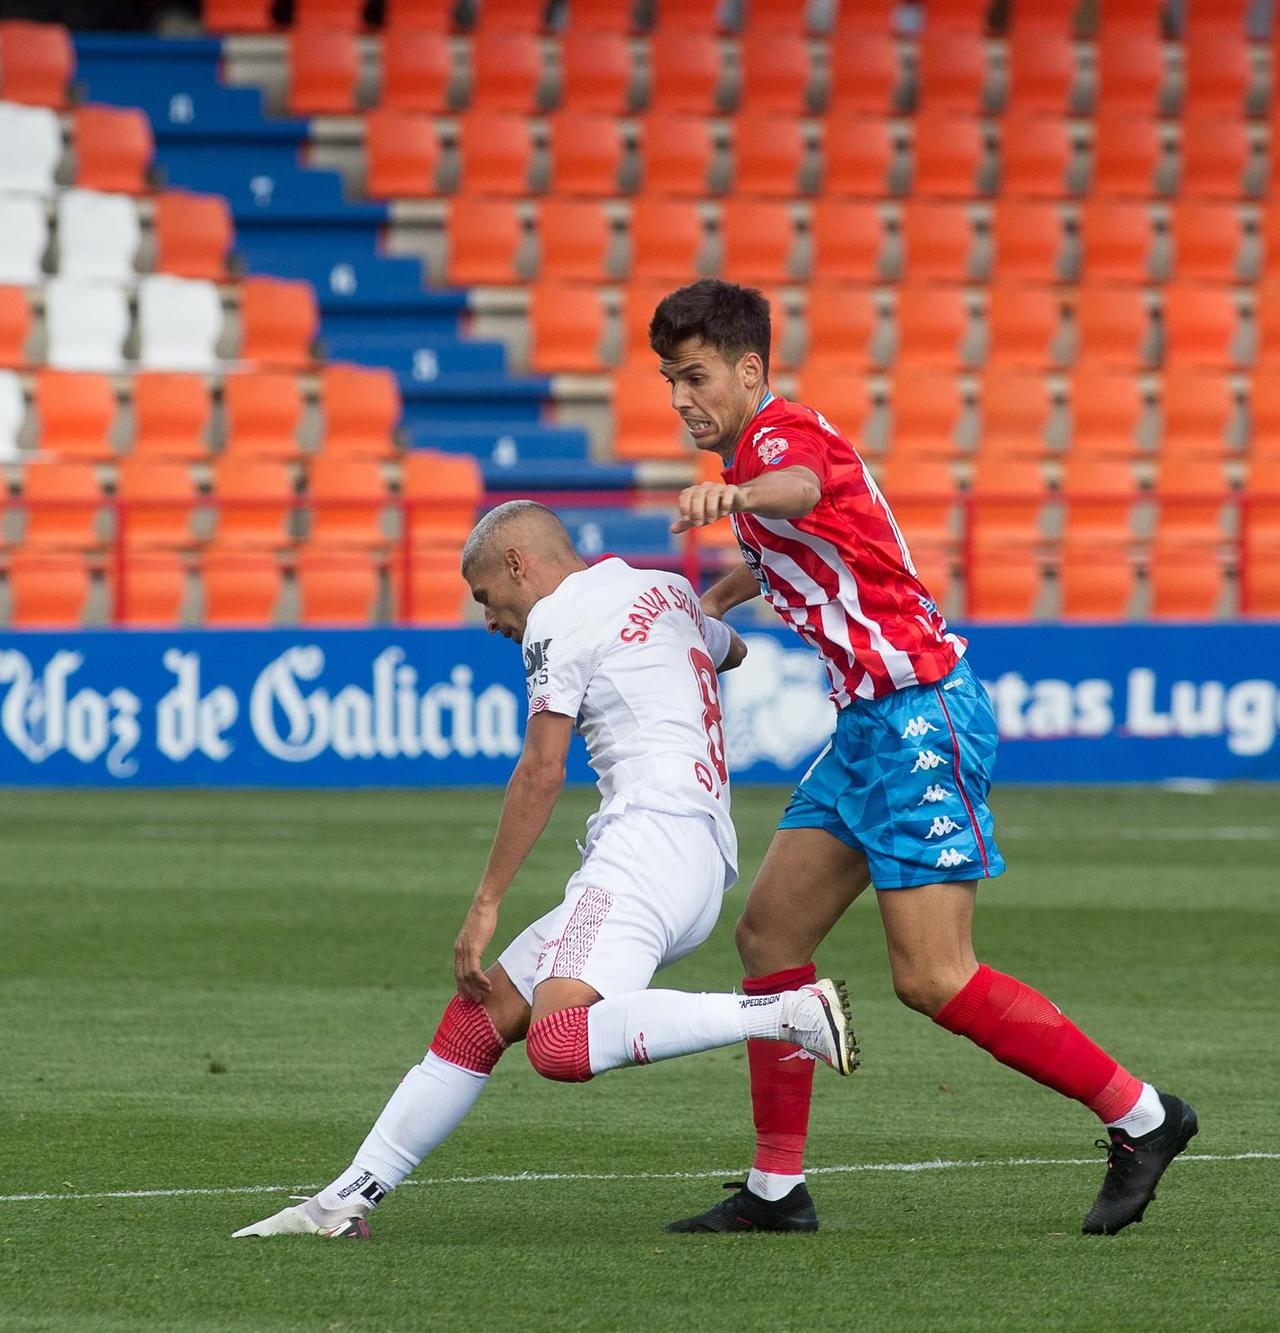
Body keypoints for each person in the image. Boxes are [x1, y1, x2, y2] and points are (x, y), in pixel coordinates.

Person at [651, 278, 1193, 1236]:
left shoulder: (776, 442)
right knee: (772, 939)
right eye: (668, 379)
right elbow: (795, 541)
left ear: (748, 368)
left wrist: (734, 493)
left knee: (933, 976)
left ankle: (1143, 1117)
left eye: (695, 375)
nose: (681, 397)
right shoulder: (758, 449)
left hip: (920, 718)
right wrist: (721, 597)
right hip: (868, 729)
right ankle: (778, 1190)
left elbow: (799, 491)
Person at [232, 501, 858, 1240]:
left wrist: (486, 901)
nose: (490, 618)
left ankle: (784, 1014)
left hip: (645, 847)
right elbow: (731, 651)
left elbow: (540, 769)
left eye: (485, 595)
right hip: (696, 857)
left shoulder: (562, 617)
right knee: (482, 1015)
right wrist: (714, 596)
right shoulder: (655, 589)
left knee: (559, 1042)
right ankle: (345, 1200)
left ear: (518, 564)